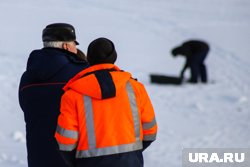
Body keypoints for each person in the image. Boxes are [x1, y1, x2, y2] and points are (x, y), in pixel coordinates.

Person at [55, 37, 157, 167]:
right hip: (130, 161)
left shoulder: (72, 95)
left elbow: (66, 141)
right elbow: (150, 131)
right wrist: (131, 154)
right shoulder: (135, 88)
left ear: (89, 59)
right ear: (114, 57)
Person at [18, 23, 89, 167]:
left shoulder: (27, 77)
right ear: (66, 46)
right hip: (72, 158)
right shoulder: (81, 74)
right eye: (74, 44)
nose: (76, 48)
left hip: (38, 158)